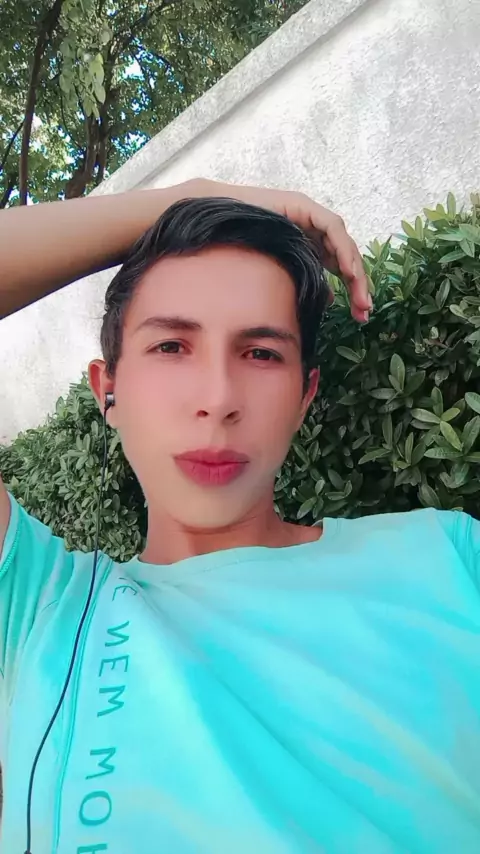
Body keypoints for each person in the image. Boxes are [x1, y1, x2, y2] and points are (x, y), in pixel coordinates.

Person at [0, 179, 478, 854]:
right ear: (109, 391)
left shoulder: (449, 558)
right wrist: (189, 196)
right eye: (171, 346)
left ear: (305, 395)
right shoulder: (37, 607)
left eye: (261, 353)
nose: (219, 398)